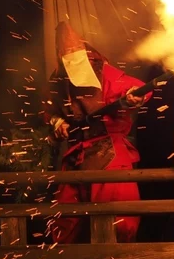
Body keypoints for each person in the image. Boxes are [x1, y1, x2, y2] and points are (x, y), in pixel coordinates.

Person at [44, 21, 151, 244]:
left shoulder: (102, 71)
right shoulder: (59, 79)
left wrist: (133, 96)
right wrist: (57, 121)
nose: (71, 55)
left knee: (118, 220)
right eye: (66, 52)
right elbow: (47, 109)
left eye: (74, 51)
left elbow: (134, 88)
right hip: (75, 157)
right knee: (64, 222)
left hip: (109, 154)